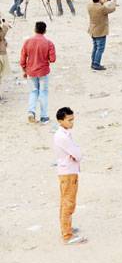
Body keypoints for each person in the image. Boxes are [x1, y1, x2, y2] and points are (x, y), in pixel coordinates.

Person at [53, 107, 87, 245]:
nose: (72, 122)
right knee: (68, 203)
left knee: (65, 202)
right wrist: (77, 154)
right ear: (60, 121)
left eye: (72, 119)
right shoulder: (62, 137)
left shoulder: (64, 134)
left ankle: (67, 228)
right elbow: (78, 154)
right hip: (68, 173)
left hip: (67, 171)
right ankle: (67, 234)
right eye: (69, 120)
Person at [20, 22, 56, 125]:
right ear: (45, 30)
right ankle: (44, 116)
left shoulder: (27, 42)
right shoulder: (49, 43)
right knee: (43, 93)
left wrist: (24, 70)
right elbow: (53, 59)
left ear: (35, 29)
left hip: (31, 71)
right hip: (43, 71)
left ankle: (31, 111)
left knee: (33, 92)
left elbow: (22, 59)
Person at [87, 0, 116, 70]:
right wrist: (112, 2)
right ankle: (96, 64)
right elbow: (112, 9)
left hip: (93, 30)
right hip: (100, 31)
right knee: (100, 48)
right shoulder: (102, 8)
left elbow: (97, 4)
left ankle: (93, 62)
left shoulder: (89, 6)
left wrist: (104, 1)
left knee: (95, 47)